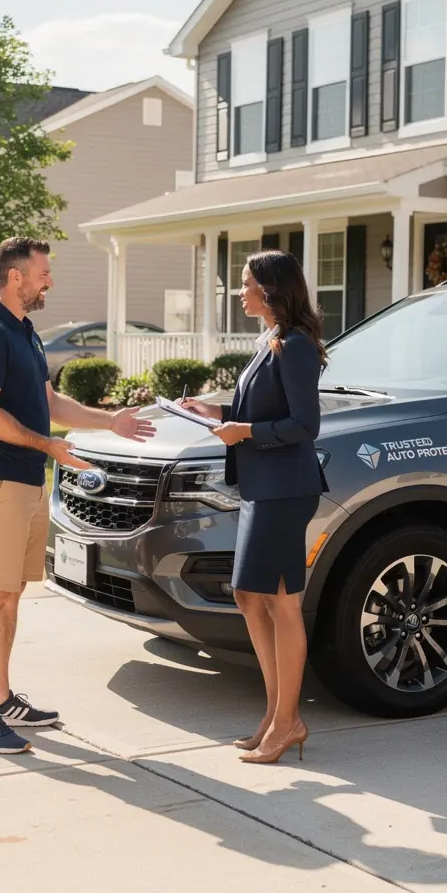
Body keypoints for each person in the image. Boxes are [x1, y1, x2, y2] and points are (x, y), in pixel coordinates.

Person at [0, 235, 156, 754]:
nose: (50, 280)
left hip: (25, 479)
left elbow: (48, 401)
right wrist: (49, 446)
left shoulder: (25, 332)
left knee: (12, 592)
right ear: (15, 276)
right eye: (43, 272)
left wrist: (110, 421)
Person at [182, 249, 327, 765]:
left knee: (282, 603)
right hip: (263, 487)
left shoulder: (296, 346)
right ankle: (276, 712)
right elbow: (259, 410)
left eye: (245, 283)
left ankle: (288, 721)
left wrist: (242, 431)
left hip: (286, 490)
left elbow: (304, 425)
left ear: (270, 289)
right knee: (247, 594)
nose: (239, 291)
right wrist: (214, 411)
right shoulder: (269, 342)